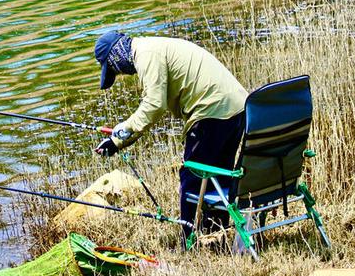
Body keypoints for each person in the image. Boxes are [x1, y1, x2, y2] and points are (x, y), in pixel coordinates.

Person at [93, 31, 247, 237]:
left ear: (117, 56)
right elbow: (155, 106)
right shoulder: (152, 47)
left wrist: (119, 136)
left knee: (193, 175)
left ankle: (189, 240)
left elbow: (154, 105)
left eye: (114, 69)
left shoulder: (146, 54)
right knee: (217, 173)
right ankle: (215, 234)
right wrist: (119, 141)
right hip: (237, 108)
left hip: (212, 112)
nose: (121, 73)